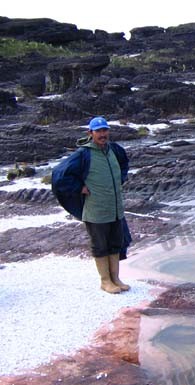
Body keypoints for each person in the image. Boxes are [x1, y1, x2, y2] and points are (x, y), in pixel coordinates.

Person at [52, 116, 131, 294]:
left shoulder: (114, 149)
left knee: (115, 244)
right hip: (96, 210)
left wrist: (121, 178)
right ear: (90, 133)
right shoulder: (83, 154)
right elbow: (59, 175)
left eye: (105, 130)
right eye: (98, 131)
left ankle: (115, 278)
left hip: (115, 208)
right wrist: (79, 188)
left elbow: (124, 164)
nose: (102, 134)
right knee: (100, 245)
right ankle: (105, 281)